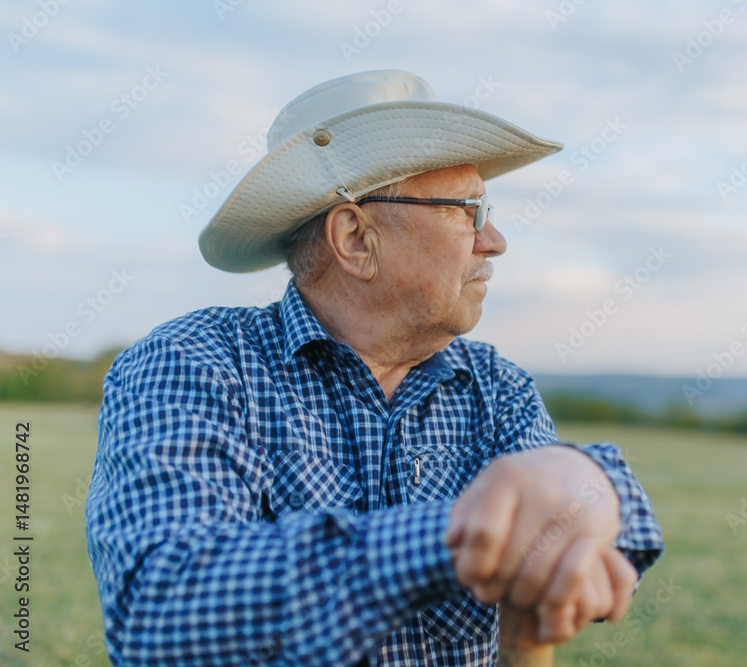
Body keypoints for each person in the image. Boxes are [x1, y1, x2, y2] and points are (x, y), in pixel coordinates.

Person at [86, 70, 663, 666]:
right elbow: (160, 612)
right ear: (356, 238)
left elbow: (602, 556)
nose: (494, 240)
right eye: (467, 211)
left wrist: (588, 484)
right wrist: (467, 533)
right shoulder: (191, 363)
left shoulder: (497, 387)